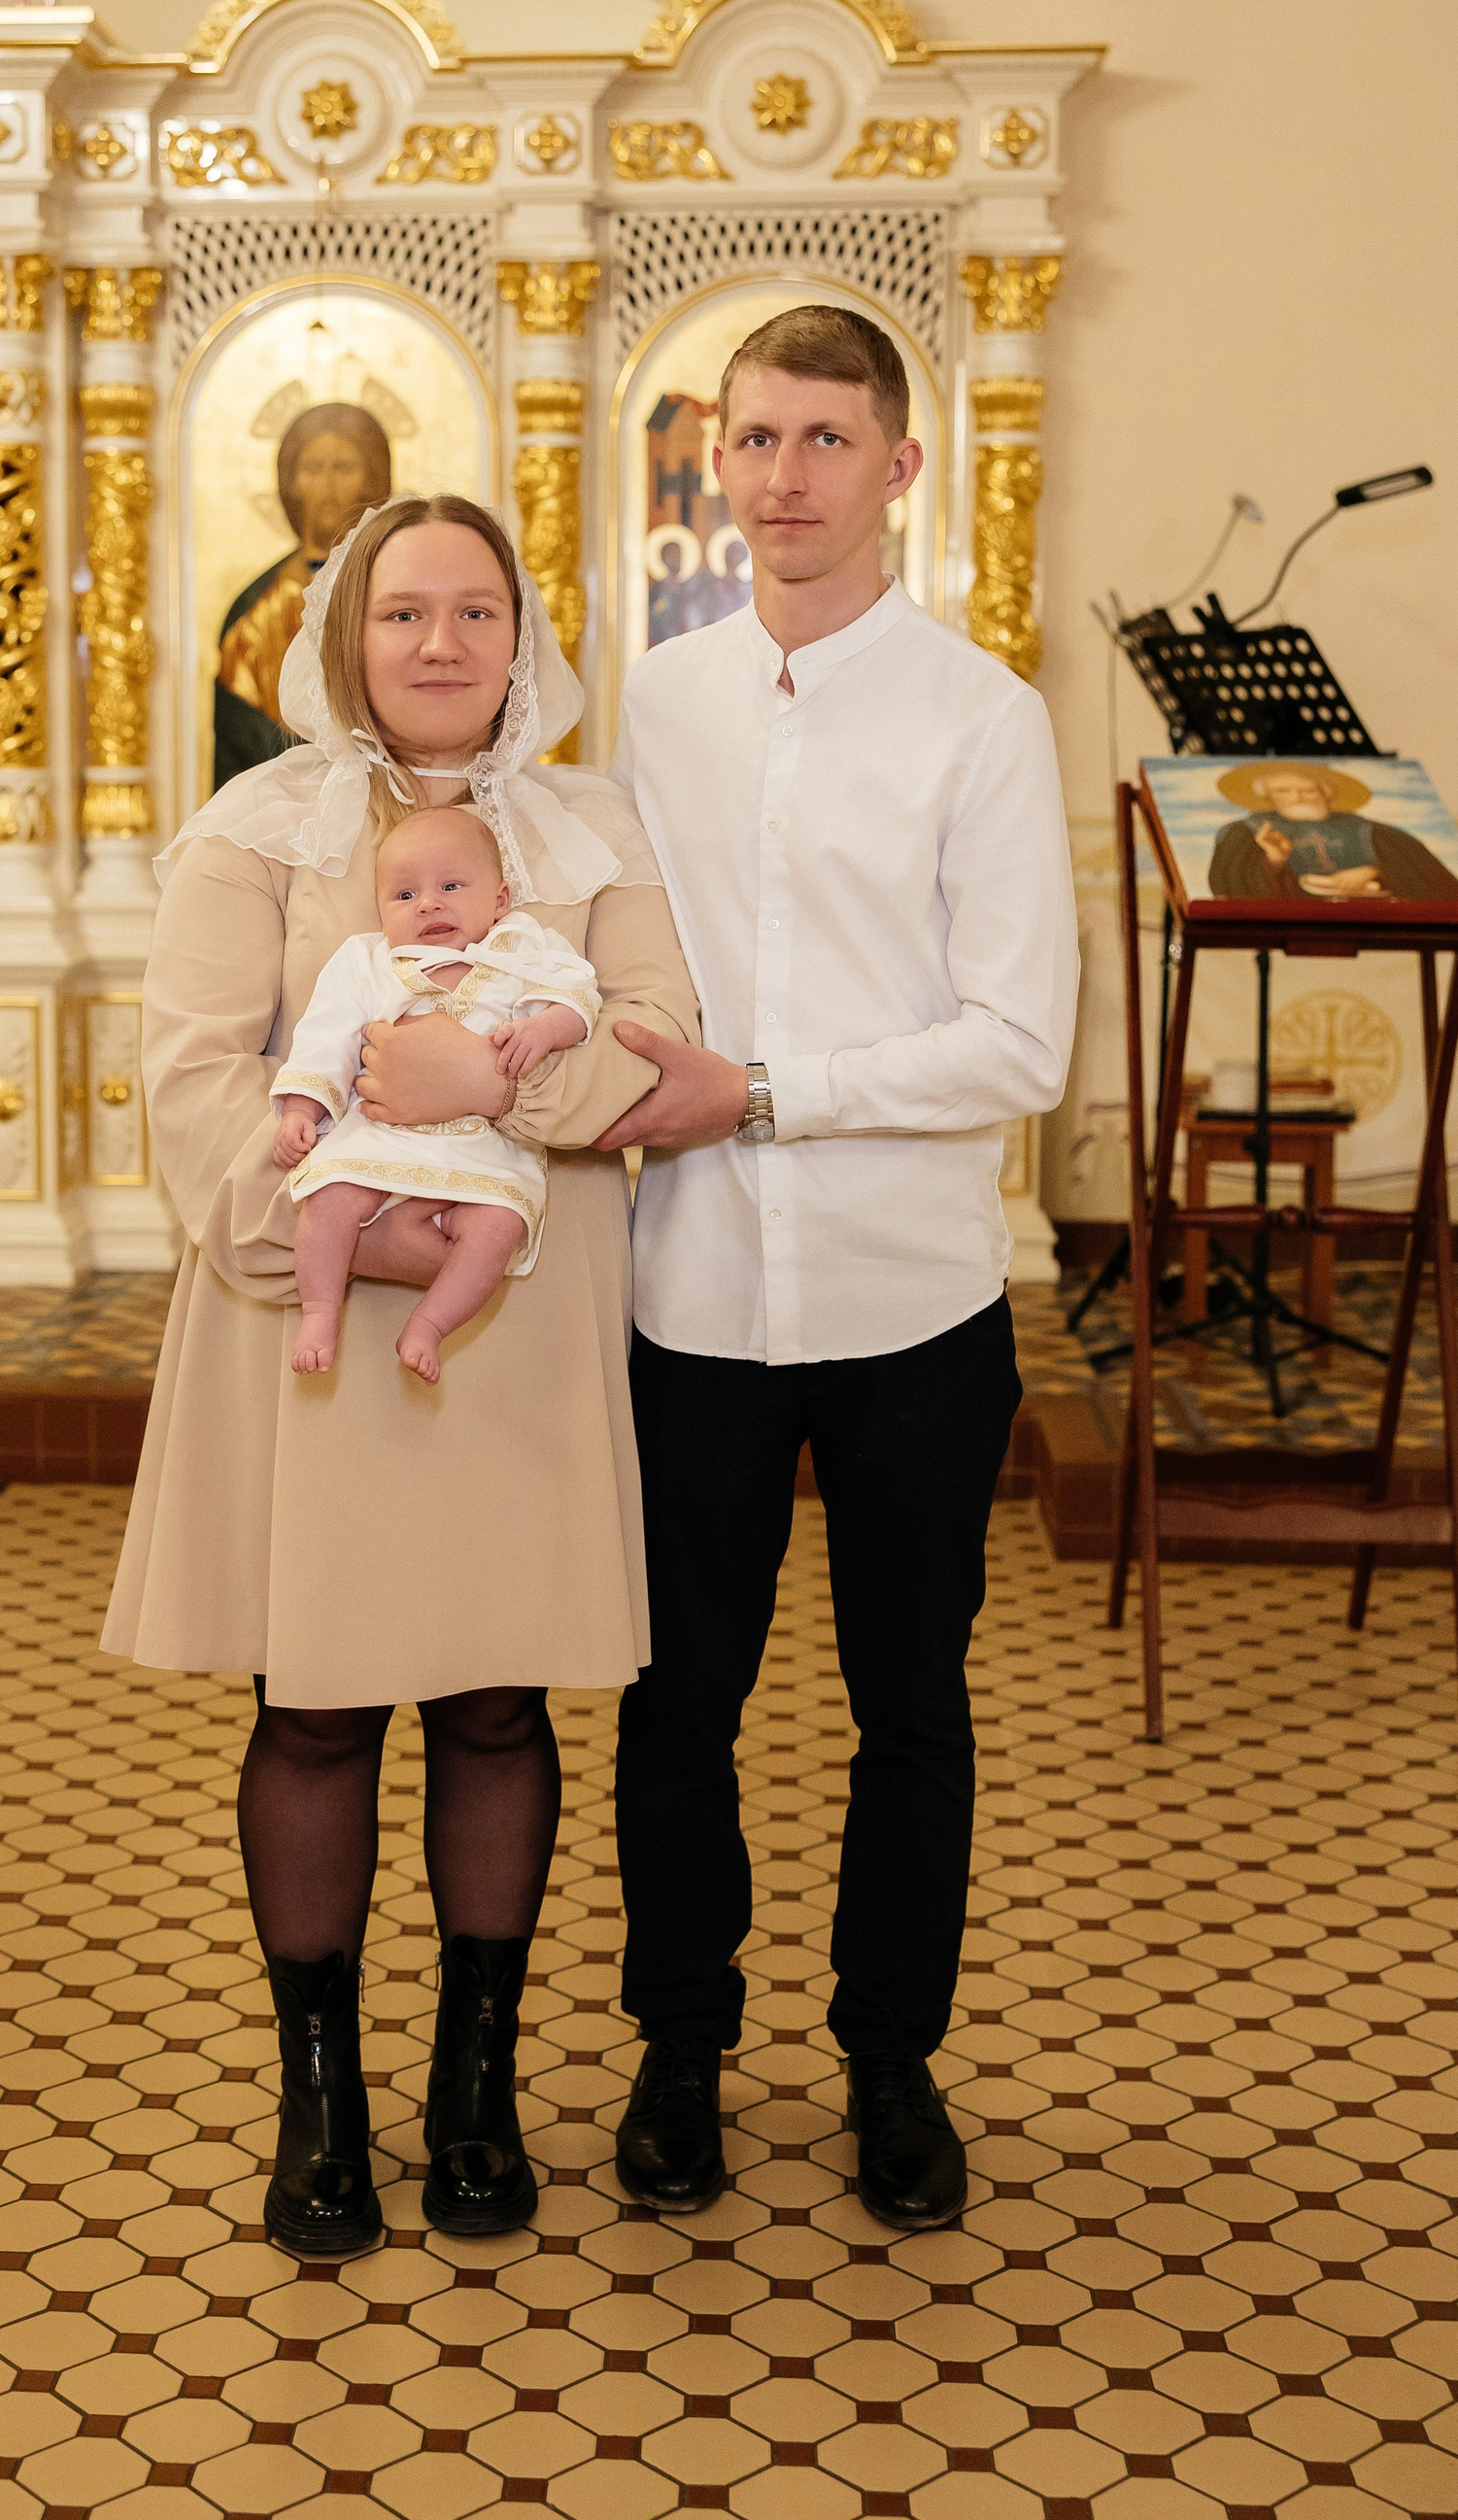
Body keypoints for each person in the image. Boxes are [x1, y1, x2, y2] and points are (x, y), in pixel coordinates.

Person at [103, 493, 696, 2260]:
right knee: (314, 1709)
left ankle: (476, 2085)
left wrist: (485, 1087)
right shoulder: (256, 830)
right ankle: (320, 2099)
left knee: (500, 1707)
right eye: (403, 612)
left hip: (519, 1326)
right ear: (343, 633)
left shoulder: (594, 829)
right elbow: (194, 1083)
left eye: (476, 612)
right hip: (314, 1323)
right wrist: (360, 1237)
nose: (441, 643)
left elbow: (660, 1048)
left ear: (526, 639)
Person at [600, 304, 1079, 2232]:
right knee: (674, 1706)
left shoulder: (984, 717)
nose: (785, 475)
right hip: (692, 1297)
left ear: (900, 465)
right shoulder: (660, 703)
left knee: (913, 1709)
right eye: (755, 438)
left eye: (824, 438)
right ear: (717, 463)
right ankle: (678, 2050)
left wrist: (765, 1095)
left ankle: (893, 2060)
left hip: (910, 1306)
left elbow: (1019, 1044)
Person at [271, 804, 598, 1380]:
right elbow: (325, 1036)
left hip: (485, 1140)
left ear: (499, 899)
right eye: (404, 895)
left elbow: (579, 994)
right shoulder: (367, 962)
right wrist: (302, 1107)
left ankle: (430, 1324)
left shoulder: (522, 948)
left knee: (497, 1226)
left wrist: (547, 1028)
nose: (427, 904)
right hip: (381, 1132)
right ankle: (320, 1310)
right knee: (329, 1197)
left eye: (450, 886)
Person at [213, 401, 392, 789]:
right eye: (313, 468)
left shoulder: (396, 593)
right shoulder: (255, 615)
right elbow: (238, 744)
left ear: (372, 480)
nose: (328, 484)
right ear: (291, 482)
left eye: (344, 467)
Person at [1207, 765, 1458, 901]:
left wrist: (1374, 871)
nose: (1297, 797)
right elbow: (1229, 886)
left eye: (1308, 790)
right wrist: (1275, 861)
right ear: (1268, 796)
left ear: (1326, 793)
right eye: (1283, 791)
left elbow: (1432, 880)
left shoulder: (1371, 831)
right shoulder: (1244, 832)